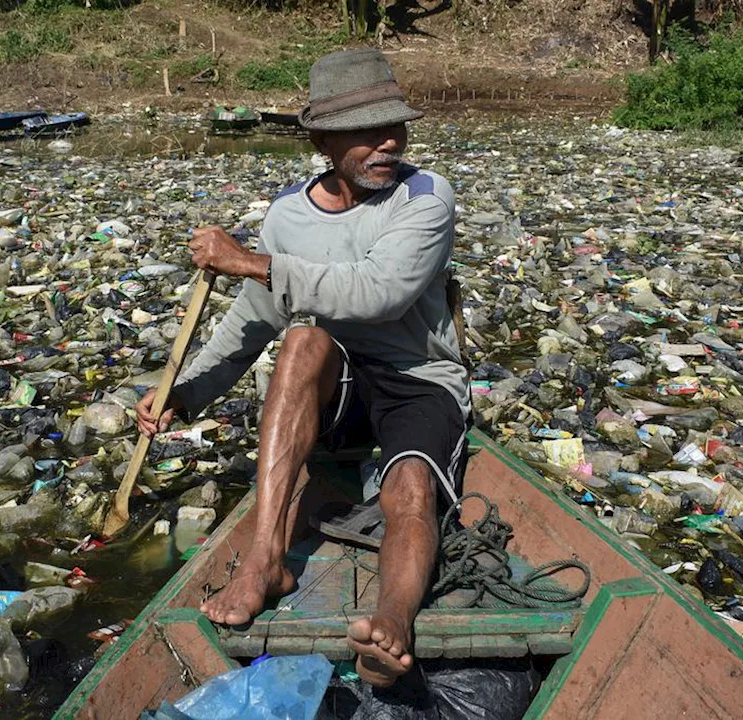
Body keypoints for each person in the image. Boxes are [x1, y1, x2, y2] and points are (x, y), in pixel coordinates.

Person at [135, 47, 469, 688]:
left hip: (417, 377)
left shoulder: (424, 198)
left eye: (394, 127)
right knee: (301, 342)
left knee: (409, 490)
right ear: (321, 139)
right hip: (333, 384)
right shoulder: (289, 214)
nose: (388, 143)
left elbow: (379, 292)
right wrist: (188, 392)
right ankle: (266, 563)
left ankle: (393, 622)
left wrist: (252, 261)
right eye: (367, 132)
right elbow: (254, 315)